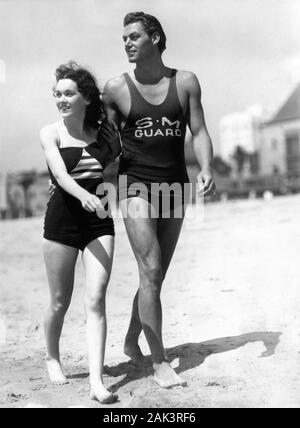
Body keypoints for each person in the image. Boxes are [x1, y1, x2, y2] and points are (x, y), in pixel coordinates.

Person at [103, 11, 216, 388]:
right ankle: (159, 361)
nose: (127, 43)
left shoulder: (184, 82)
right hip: (134, 184)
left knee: (158, 273)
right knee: (149, 269)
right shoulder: (116, 88)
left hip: (174, 186)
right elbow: (105, 145)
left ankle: (132, 339)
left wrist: (206, 166)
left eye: (134, 36)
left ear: (154, 37)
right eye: (124, 39)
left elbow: (198, 130)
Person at [40, 61, 120, 404]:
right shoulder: (51, 133)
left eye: (69, 93)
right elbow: (59, 175)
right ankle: (52, 357)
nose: (61, 99)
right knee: (60, 301)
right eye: (57, 93)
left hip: (99, 223)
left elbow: (116, 168)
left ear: (86, 98)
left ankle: (97, 382)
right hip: (61, 225)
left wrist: (108, 192)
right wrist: (84, 194)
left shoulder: (105, 134)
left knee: (96, 298)